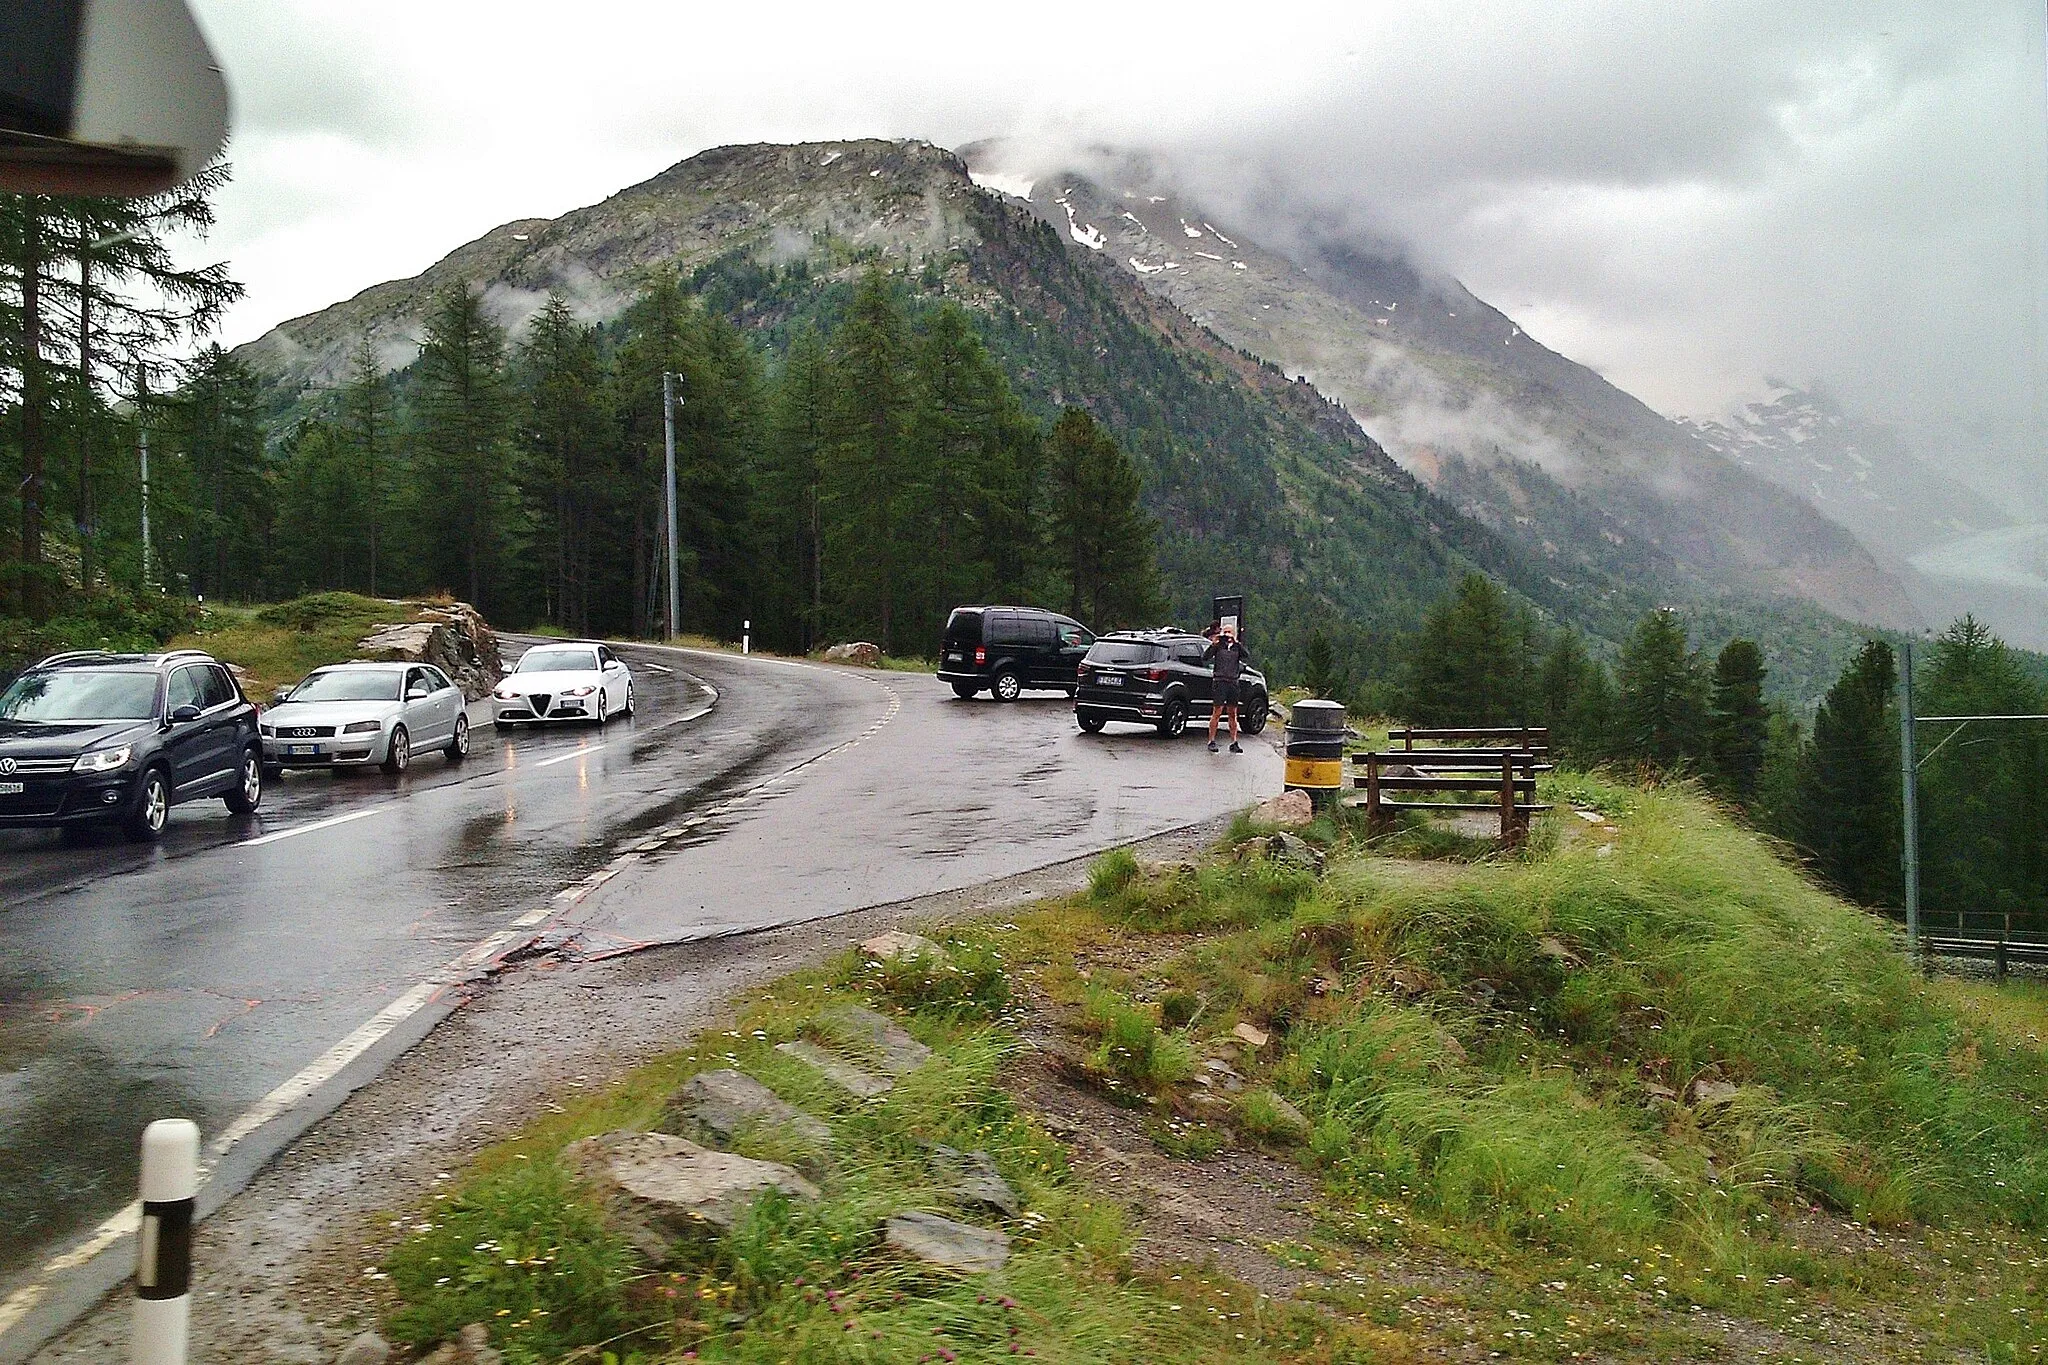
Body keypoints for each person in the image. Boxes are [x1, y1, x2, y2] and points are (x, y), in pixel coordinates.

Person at [1203, 625, 1252, 753]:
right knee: (1217, 711)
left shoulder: (1236, 647)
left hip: (1233, 682)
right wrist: (1213, 644)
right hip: (1220, 682)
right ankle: (1211, 740)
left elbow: (1246, 655)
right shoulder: (1218, 646)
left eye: (1229, 632)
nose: (1227, 634)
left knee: (1232, 713)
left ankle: (1234, 742)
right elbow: (1205, 657)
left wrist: (1236, 642)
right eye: (1225, 632)